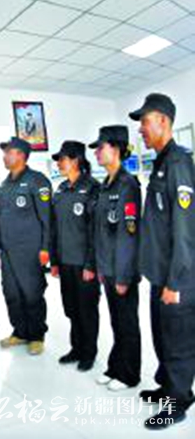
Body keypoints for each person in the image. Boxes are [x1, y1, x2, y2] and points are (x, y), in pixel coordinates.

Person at [129, 93, 195, 430]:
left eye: (144, 121)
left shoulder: (178, 164)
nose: (140, 128)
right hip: (160, 273)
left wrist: (175, 282)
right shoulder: (161, 162)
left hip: (176, 278)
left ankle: (178, 403)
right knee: (162, 336)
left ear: (163, 121)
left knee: (177, 341)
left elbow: (185, 232)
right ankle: (170, 387)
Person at [89, 127, 142, 391]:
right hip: (108, 267)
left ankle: (129, 374)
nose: (97, 153)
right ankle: (115, 367)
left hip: (122, 270)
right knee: (117, 321)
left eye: (101, 147)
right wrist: (101, 267)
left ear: (117, 149)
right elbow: (101, 232)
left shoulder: (127, 185)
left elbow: (128, 235)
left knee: (127, 322)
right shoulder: (105, 185)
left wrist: (123, 275)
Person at [0, 137, 52, 356]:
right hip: (8, 251)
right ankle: (20, 332)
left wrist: (45, 248)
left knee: (32, 293)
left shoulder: (37, 181)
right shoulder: (5, 184)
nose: (4, 156)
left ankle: (37, 335)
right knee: (11, 292)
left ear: (20, 155)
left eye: (8, 152)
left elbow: (47, 218)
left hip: (30, 250)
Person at [50, 141, 101, 372]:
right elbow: (54, 228)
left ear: (76, 160)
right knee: (71, 309)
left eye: (63, 159)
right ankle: (77, 348)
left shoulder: (92, 188)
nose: (59, 164)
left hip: (84, 263)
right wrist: (54, 261)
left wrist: (91, 263)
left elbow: (95, 230)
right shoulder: (61, 189)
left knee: (86, 310)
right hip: (65, 261)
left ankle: (89, 353)